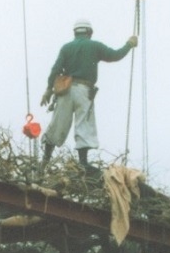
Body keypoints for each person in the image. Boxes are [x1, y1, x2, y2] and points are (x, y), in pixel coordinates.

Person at [40, 20, 138, 171]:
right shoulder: (94, 45)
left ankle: (44, 162)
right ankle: (83, 163)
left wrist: (48, 89)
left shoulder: (66, 48)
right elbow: (116, 55)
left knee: (57, 124)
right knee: (84, 124)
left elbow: (55, 70)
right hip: (84, 90)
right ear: (90, 33)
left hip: (65, 91)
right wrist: (129, 44)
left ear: (75, 33)